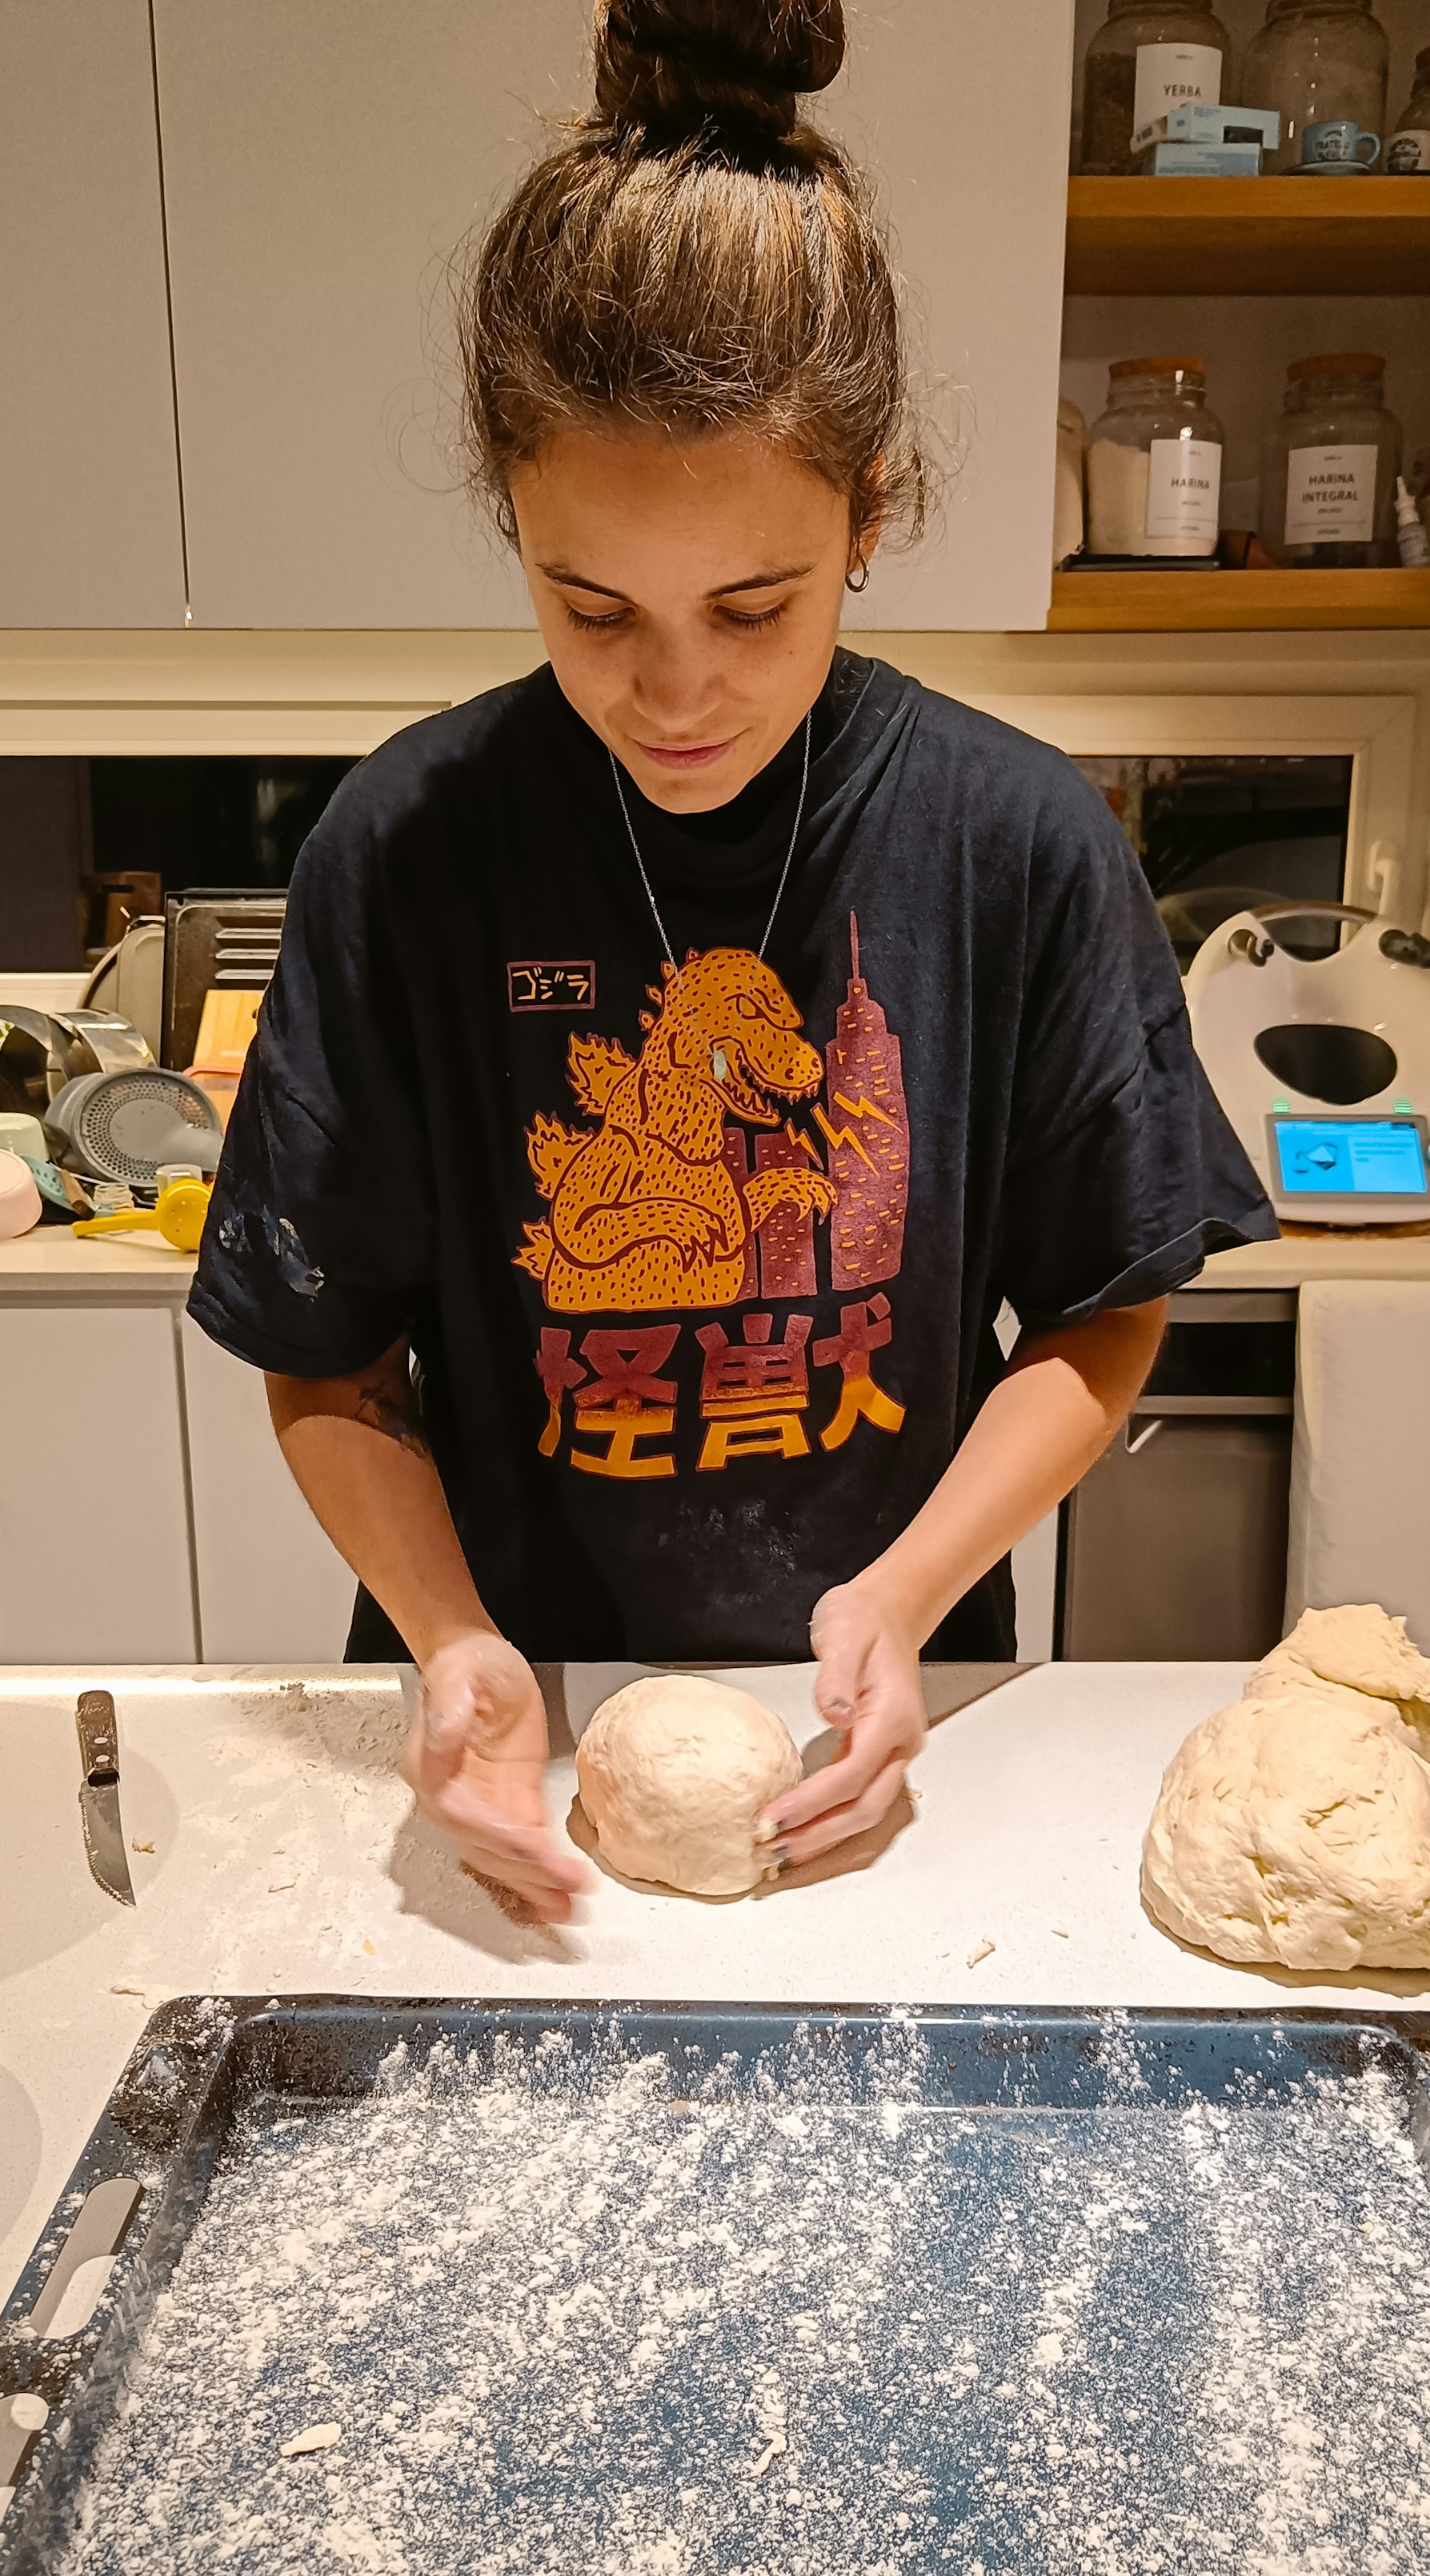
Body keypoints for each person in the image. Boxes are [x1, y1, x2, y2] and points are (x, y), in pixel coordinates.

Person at [190, 0, 1276, 1925]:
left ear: (873, 517)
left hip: (888, 1716)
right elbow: (331, 1361)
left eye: (752, 607)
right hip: (504, 1739)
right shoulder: (410, 849)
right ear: (509, 519)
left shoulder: (1013, 847)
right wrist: (449, 1642)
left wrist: (907, 1593)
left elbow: (1103, 1314)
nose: (672, 693)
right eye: (585, 602)